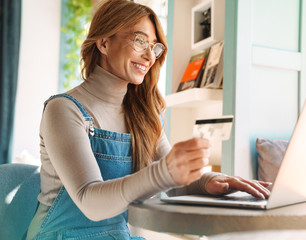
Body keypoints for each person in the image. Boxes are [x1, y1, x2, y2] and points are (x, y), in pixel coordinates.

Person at [26, 1, 271, 239]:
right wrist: (164, 171)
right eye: (140, 40)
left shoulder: (142, 114)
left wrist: (210, 181)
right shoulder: (63, 109)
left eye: (154, 47)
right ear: (103, 43)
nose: (149, 56)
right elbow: (90, 202)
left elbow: (172, 180)